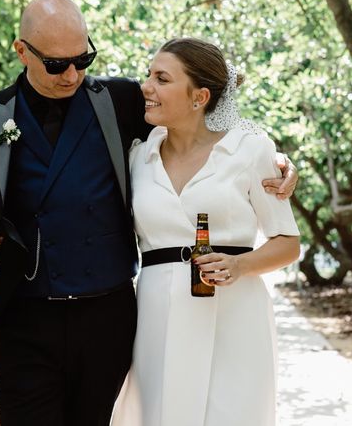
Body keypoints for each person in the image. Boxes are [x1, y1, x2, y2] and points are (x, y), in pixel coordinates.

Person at [0, 0, 298, 426]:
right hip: (24, 314)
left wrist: (283, 162)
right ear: (22, 51)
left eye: (83, 58)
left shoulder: (122, 100)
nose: (72, 74)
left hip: (107, 315)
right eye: (56, 64)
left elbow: (208, 126)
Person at [111, 38, 302, 426]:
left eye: (161, 78)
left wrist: (241, 265)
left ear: (199, 97)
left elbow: (288, 243)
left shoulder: (250, 150)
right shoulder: (137, 157)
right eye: (148, 75)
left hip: (234, 314)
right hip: (156, 314)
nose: (146, 86)